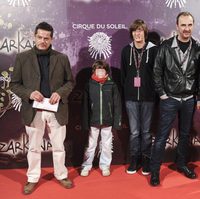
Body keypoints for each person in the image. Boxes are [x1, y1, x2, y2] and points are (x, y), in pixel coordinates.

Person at [10, 22, 75, 194]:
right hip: (33, 110)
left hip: (57, 109)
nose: (43, 41)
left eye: (46, 38)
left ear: (52, 39)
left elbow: (70, 82)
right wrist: (30, 93)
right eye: (40, 37)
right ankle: (32, 178)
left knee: (59, 146)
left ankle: (61, 175)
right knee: (33, 147)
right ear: (34, 36)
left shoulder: (61, 58)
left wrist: (60, 93)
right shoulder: (22, 58)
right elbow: (14, 84)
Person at [150, 12, 200, 186]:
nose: (186, 29)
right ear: (177, 26)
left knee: (185, 135)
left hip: (189, 99)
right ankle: (154, 172)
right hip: (169, 98)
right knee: (162, 136)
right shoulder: (165, 47)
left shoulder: (197, 48)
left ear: (193, 26)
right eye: (183, 25)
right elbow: (156, 72)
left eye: (189, 25)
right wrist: (162, 94)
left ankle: (181, 164)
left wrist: (198, 98)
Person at [121, 19, 157, 175]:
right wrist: (129, 89)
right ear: (132, 33)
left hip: (148, 97)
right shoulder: (126, 51)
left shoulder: (154, 50)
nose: (137, 33)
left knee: (146, 132)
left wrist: (153, 91)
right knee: (134, 132)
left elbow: (158, 74)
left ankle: (147, 159)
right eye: (135, 31)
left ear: (145, 33)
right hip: (131, 97)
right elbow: (123, 75)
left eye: (140, 30)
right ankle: (134, 159)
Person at [80, 60, 121, 177]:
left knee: (107, 144)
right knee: (91, 144)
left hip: (107, 120)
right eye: (98, 70)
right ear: (94, 71)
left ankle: (105, 165)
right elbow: (85, 105)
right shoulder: (89, 85)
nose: (100, 72)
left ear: (106, 71)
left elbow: (117, 104)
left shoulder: (112, 84)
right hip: (93, 120)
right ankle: (86, 165)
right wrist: (85, 122)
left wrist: (117, 121)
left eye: (103, 70)